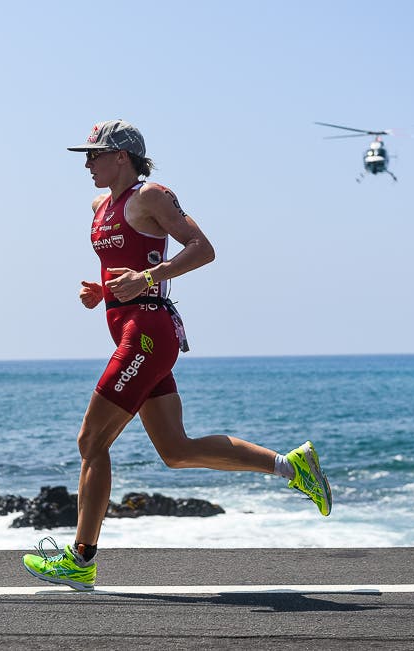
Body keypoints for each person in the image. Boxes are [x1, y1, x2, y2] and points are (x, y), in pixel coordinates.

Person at [22, 120, 332, 591]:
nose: (87, 164)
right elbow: (127, 264)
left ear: (121, 156)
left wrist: (144, 281)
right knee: (176, 450)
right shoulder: (98, 205)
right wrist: (102, 289)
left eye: (94, 155)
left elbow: (202, 249)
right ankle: (293, 466)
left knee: (91, 442)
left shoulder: (152, 196)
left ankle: (81, 559)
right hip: (132, 331)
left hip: (147, 335)